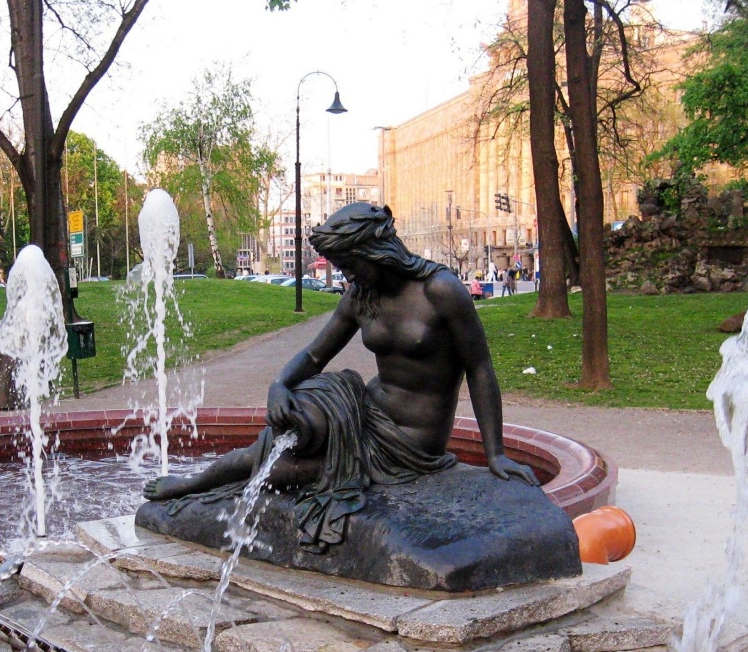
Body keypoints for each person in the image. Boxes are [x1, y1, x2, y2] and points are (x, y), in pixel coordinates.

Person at [143, 202, 537, 550]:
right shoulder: (361, 294)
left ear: (376, 251)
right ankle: (193, 483)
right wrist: (279, 385)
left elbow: (480, 370)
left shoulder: (442, 290)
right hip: (362, 409)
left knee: (279, 472)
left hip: (409, 441)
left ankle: (197, 489)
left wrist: (495, 453)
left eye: (351, 264)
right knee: (286, 429)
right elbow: (315, 355)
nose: (347, 275)